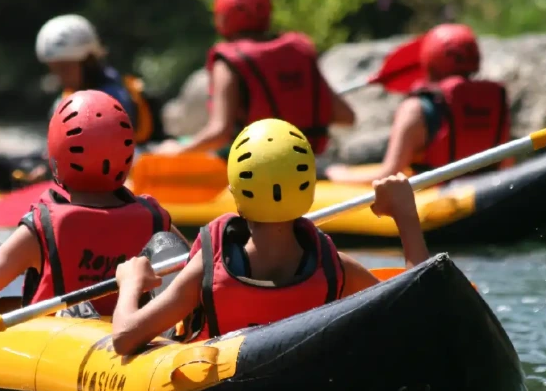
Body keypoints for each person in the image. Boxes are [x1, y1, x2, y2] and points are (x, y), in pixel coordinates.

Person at [111, 118, 429, 355]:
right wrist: (405, 216)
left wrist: (130, 284)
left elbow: (124, 339)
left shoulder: (208, 269)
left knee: (163, 245)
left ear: (236, 195)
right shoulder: (336, 269)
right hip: (302, 387)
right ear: (308, 193)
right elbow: (416, 313)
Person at [0, 90, 181, 318]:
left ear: (56, 155)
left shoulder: (42, 229)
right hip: (135, 348)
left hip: (58, 350)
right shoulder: (157, 221)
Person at [154, 0, 355, 158]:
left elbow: (220, 132)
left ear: (223, 16)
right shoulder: (299, 50)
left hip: (260, 168)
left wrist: (179, 150)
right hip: (310, 162)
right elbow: (346, 116)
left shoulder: (229, 62)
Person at [326, 23, 511, 184]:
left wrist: (341, 176)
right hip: (486, 190)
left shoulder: (415, 109)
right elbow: (506, 164)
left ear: (428, 59)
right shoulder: (495, 100)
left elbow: (389, 174)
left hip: (437, 198)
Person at [36, 14, 157, 145]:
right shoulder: (66, 99)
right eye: (54, 69)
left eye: (65, 68)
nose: (60, 76)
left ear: (88, 62)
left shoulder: (112, 99)